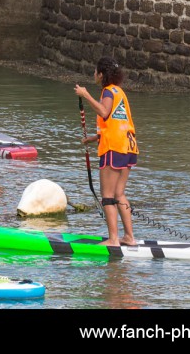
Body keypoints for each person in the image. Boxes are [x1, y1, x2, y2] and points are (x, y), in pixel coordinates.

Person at [75, 57, 138, 247]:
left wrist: (85, 95)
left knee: (108, 195)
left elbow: (104, 112)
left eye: (95, 72)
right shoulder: (120, 92)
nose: (94, 75)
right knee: (119, 193)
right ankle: (129, 237)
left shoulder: (108, 91)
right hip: (129, 146)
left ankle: (113, 240)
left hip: (114, 147)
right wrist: (94, 138)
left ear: (101, 74)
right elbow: (115, 121)